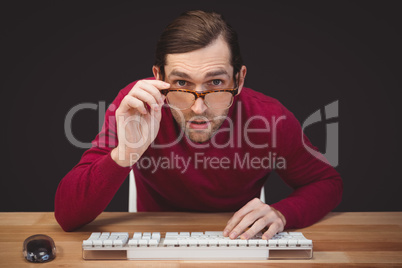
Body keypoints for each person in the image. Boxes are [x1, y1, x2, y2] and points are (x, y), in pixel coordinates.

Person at [55, 10, 343, 239]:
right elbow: (67, 215)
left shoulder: (270, 118)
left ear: (239, 80)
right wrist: (125, 152)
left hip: (238, 243)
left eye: (216, 83)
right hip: (156, 243)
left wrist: (283, 214)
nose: (198, 107)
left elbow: (327, 182)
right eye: (181, 83)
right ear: (158, 76)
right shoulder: (136, 106)